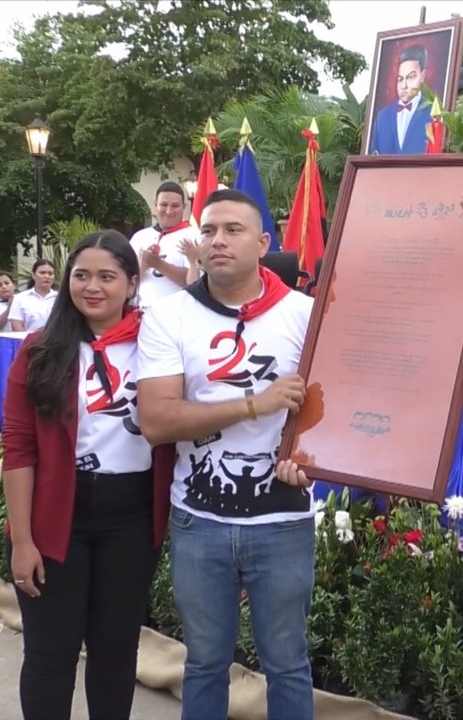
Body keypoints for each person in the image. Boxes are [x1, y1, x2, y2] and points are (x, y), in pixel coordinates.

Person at [136, 189, 315, 720]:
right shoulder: (170, 316)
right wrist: (253, 404)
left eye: (233, 230)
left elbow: (335, 411)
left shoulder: (307, 315)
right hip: (199, 522)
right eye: (209, 229)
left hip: (283, 519)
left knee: (287, 664)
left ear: (262, 243)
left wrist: (311, 459)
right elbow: (157, 421)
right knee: (204, 663)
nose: (218, 240)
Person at [1, 230, 174, 720]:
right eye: (81, 275)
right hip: (58, 516)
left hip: (132, 518)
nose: (91, 287)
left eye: (106, 276)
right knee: (50, 653)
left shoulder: (158, 345)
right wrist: (22, 540)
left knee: (115, 651)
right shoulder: (39, 350)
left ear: (132, 282)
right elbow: (18, 447)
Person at [129, 182, 199, 310]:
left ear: (184, 207)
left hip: (175, 315)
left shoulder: (193, 236)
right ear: (155, 205)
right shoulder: (139, 237)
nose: (169, 211)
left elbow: (195, 283)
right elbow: (126, 281)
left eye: (175, 206)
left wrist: (158, 264)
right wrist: (143, 264)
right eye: (164, 205)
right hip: (138, 313)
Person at [369, 45, 434, 155]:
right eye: (400, 79)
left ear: (422, 76)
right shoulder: (382, 117)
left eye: (410, 77)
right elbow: (372, 156)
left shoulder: (433, 114)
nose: (404, 85)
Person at [10, 259, 58, 332]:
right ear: (33, 275)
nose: (46, 276)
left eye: (50, 273)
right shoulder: (20, 298)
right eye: (42, 273)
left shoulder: (61, 298)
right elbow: (17, 326)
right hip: (29, 342)